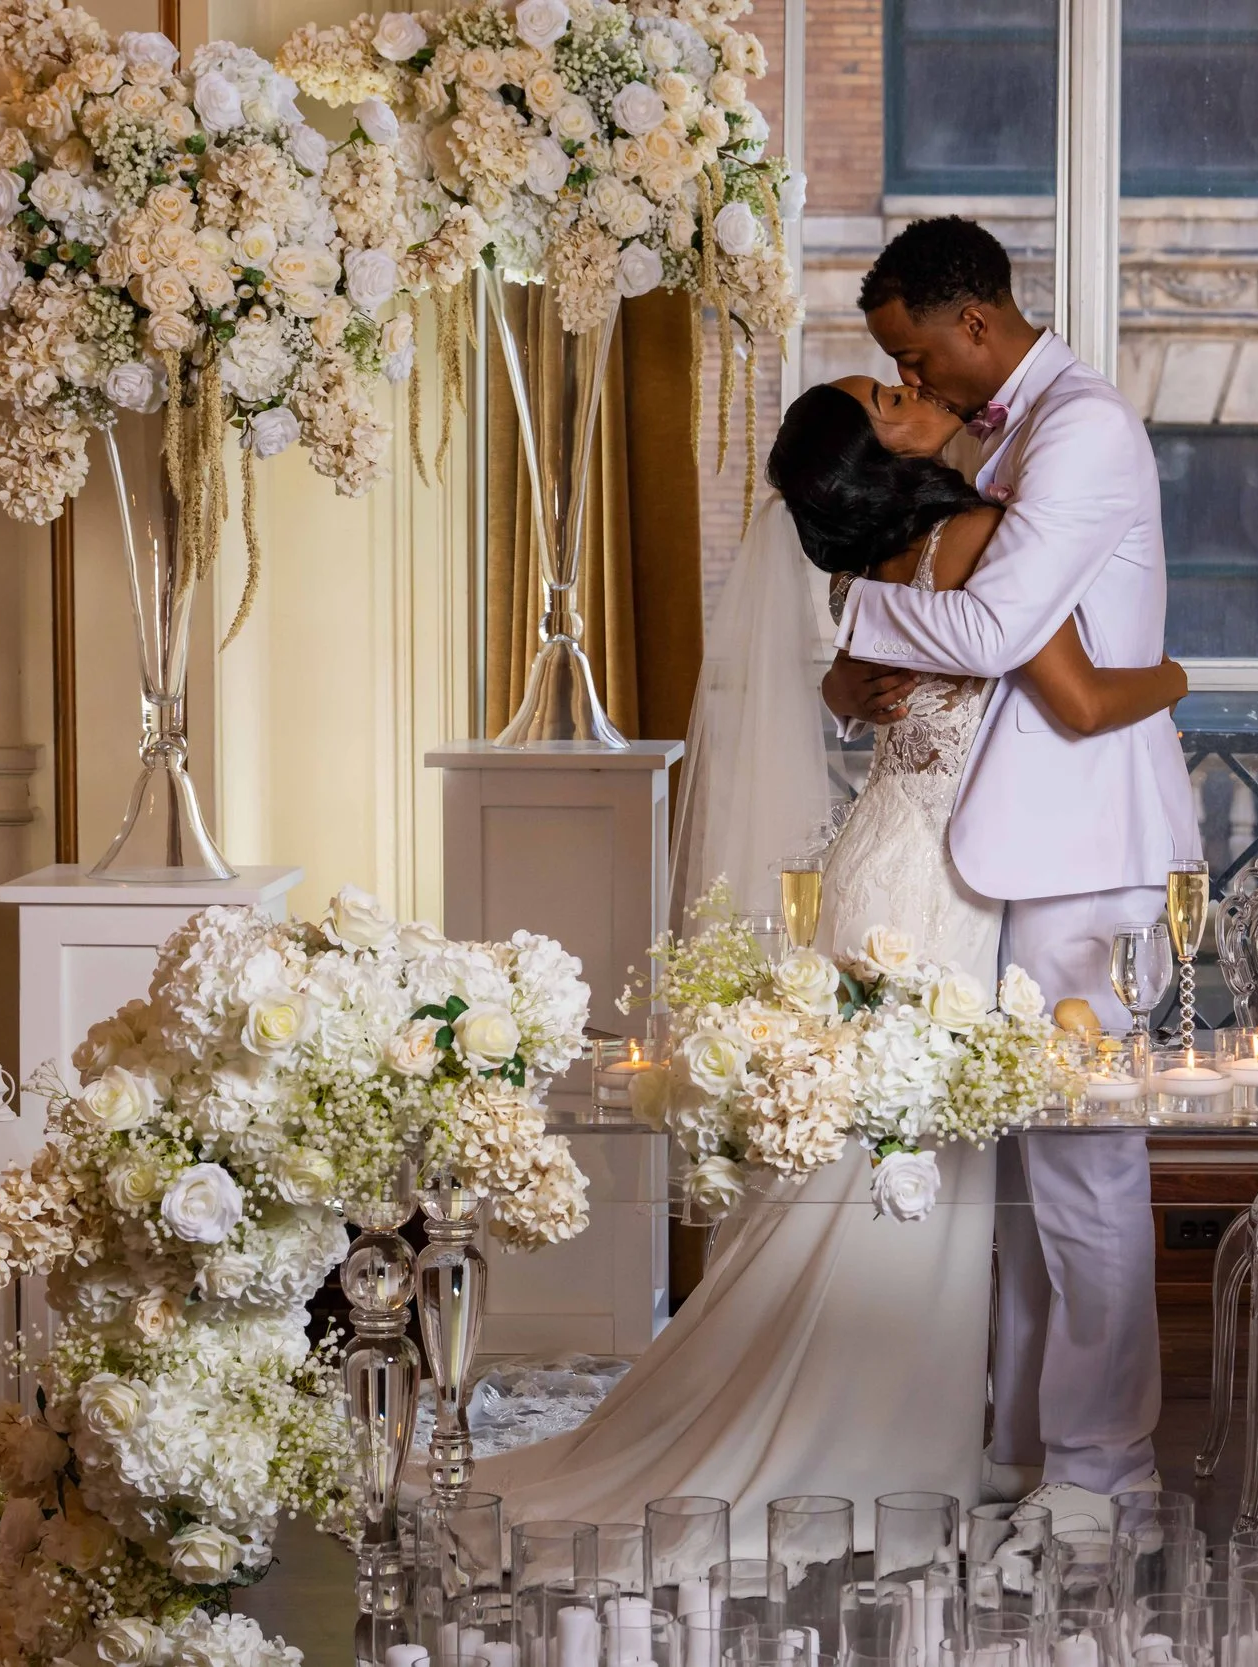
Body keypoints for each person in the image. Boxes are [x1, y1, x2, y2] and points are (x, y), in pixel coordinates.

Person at [470, 361, 1187, 1550]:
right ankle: (892, 1421)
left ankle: (924, 1418)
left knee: (883, 1151)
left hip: (882, 868)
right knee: (931, 1158)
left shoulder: (869, 571)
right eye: (888, 397)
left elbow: (849, 690)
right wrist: (1175, 672)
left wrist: (866, 688)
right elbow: (1071, 695)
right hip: (949, 892)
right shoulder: (978, 535)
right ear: (884, 454)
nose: (912, 392)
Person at [827, 217, 1200, 1504]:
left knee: (1085, 1167)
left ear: (973, 323)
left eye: (915, 355)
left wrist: (843, 598)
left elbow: (992, 626)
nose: (914, 384)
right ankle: (1026, 1451)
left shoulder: (1085, 427)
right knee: (1029, 1182)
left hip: (1090, 850)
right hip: (1012, 850)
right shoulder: (1012, 429)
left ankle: (1107, 1471)